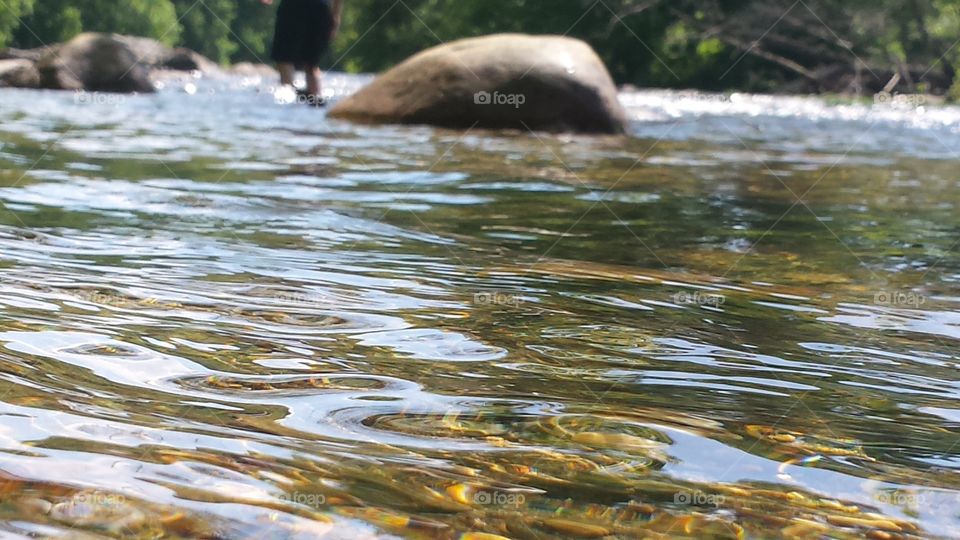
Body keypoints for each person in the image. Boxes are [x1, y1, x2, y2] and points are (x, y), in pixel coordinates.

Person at [261, 0, 343, 106]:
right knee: (311, 63)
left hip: (293, 6)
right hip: (320, 8)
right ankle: (313, 97)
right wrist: (336, 16)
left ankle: (287, 99)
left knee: (284, 59)